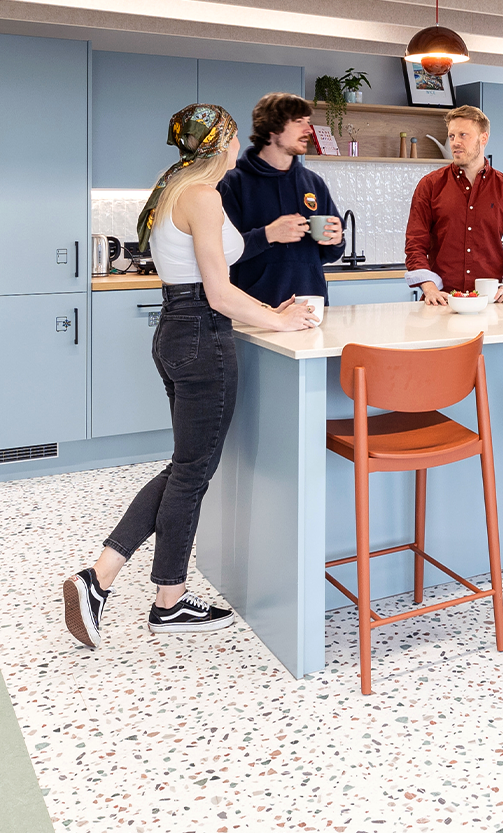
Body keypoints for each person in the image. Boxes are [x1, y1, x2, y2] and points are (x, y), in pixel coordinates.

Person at [61, 104, 322, 649]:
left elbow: (203, 278)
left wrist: (267, 300)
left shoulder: (173, 189)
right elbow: (218, 292)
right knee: (191, 472)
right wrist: (279, 319)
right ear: (219, 144)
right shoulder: (203, 196)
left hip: (176, 330)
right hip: (203, 335)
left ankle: (160, 596)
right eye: (233, 138)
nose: (238, 147)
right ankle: (107, 581)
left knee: (186, 467)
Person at [219, 92, 345, 307]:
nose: (308, 130)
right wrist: (268, 235)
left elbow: (329, 255)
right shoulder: (232, 183)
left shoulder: (313, 182)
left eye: (307, 122)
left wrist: (336, 240)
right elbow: (220, 253)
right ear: (273, 128)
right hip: (256, 311)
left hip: (310, 308)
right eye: (298, 122)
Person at [404, 104, 503, 304]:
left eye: (463, 135)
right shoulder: (429, 185)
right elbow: (415, 245)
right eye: (452, 136)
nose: (455, 142)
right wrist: (429, 289)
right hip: (441, 301)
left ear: (484, 138)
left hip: (491, 303)